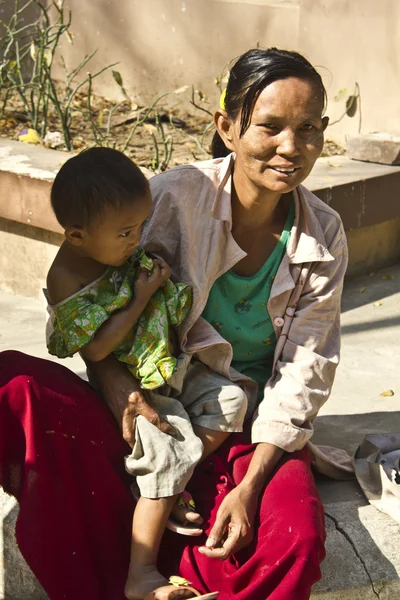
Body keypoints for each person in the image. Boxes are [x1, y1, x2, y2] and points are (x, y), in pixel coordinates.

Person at [0, 46, 348, 600]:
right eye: (270, 126)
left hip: (237, 426)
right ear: (227, 127)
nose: (291, 147)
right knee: (14, 386)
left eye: (308, 128)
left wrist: (252, 486)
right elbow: (79, 295)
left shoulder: (322, 235)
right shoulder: (169, 198)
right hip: (153, 402)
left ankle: (171, 494)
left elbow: (306, 370)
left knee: (293, 538)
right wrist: (119, 389)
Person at [45, 147, 247, 599]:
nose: (137, 239)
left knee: (233, 401)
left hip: (168, 366)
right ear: (77, 236)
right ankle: (141, 574)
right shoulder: (67, 277)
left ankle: (161, 489)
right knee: (167, 448)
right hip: (131, 386)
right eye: (125, 233)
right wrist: (140, 296)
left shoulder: (119, 249)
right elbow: (95, 346)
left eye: (140, 227)